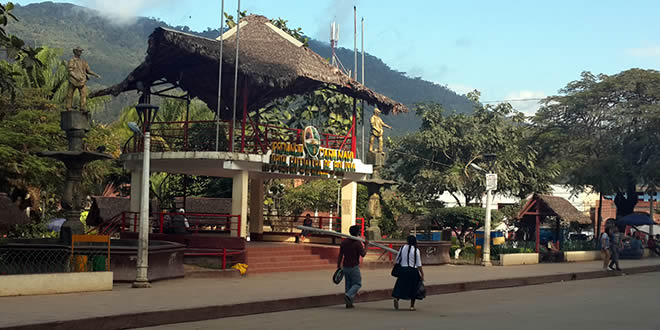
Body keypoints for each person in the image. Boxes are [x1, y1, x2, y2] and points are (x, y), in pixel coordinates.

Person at [336, 225, 368, 308]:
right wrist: (366, 245)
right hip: (353, 266)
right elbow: (363, 254)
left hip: (345, 266)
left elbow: (340, 255)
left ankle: (349, 303)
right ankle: (348, 295)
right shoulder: (357, 243)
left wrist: (338, 265)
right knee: (357, 283)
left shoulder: (344, 242)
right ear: (357, 233)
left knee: (348, 284)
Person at [392, 235, 425, 311]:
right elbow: (418, 263)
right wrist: (422, 273)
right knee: (413, 288)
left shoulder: (402, 248)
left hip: (403, 269)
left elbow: (397, 259)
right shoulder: (416, 250)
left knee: (400, 285)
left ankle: (397, 298)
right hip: (413, 270)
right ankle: (412, 306)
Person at [66, 46, 101, 111]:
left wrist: (95, 75)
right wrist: (76, 77)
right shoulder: (72, 60)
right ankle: (68, 106)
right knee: (70, 94)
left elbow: (88, 71)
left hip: (82, 80)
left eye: (81, 51)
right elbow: (70, 71)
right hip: (73, 80)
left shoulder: (83, 62)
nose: (80, 52)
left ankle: (82, 108)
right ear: (75, 52)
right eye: (79, 51)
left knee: (83, 95)